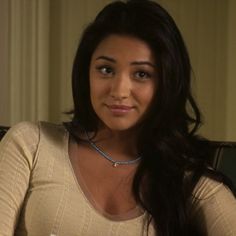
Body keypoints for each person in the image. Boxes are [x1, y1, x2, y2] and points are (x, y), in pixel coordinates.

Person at [0, 0, 236, 235]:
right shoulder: (30, 145)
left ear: (166, 83)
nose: (119, 91)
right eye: (106, 69)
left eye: (142, 74)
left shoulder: (188, 181)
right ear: (86, 73)